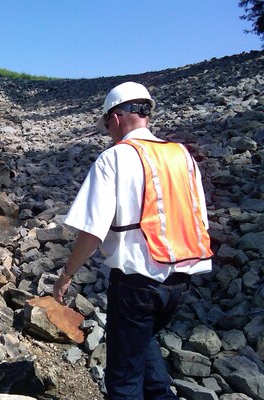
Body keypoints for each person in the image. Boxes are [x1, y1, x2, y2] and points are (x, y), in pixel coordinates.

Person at [53, 82, 213, 400]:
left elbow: (92, 230)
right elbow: (200, 219)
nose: (109, 132)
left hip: (137, 284)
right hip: (181, 282)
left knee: (124, 380)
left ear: (116, 117)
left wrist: (67, 275)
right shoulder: (183, 156)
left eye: (108, 124)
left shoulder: (114, 158)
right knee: (141, 340)